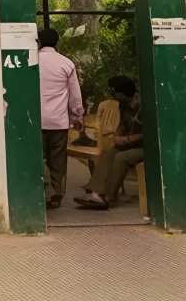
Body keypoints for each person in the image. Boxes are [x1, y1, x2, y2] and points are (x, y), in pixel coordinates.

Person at [74, 75, 148, 219]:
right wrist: (118, 137)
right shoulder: (122, 106)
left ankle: (108, 197)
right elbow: (122, 126)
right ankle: (96, 193)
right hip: (130, 145)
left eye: (114, 91)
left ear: (122, 92)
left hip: (146, 147)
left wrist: (130, 138)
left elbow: (151, 132)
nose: (112, 94)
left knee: (122, 157)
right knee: (108, 153)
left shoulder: (144, 106)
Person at [37, 27, 84, 210]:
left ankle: (44, 192)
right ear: (57, 41)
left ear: (39, 41)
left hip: (36, 120)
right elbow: (74, 95)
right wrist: (77, 115)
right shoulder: (66, 63)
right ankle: (56, 195)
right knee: (58, 160)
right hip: (58, 121)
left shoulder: (32, 62)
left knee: (39, 158)